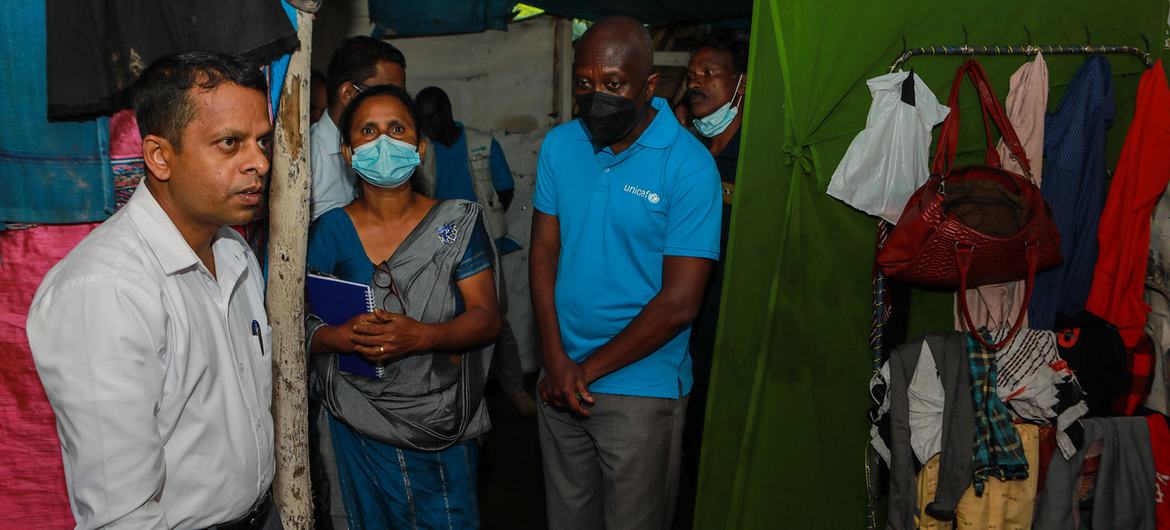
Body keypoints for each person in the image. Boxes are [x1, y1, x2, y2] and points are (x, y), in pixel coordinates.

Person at [26, 51, 278, 529]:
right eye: (230, 143)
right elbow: (122, 515)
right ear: (160, 157)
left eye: (261, 141)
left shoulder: (232, 251)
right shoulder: (104, 292)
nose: (259, 162)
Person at [531, 16, 722, 530]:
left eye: (613, 84)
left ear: (649, 85)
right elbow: (544, 253)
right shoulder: (560, 146)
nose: (597, 96)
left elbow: (681, 302)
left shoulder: (688, 167)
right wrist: (554, 357)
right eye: (584, 83)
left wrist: (583, 371)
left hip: (641, 386)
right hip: (559, 375)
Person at [305, 84, 501, 529]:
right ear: (349, 153)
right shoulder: (329, 231)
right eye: (368, 131)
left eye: (397, 128)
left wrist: (423, 335)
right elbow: (298, 324)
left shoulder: (455, 222)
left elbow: (486, 319)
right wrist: (342, 336)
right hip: (357, 422)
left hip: (442, 422)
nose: (384, 142)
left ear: (420, 145)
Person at [415, 85, 537, 417]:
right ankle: (461, 398)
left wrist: (481, 226)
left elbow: (505, 189)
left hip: (482, 242)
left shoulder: (482, 142)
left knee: (495, 317)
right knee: (447, 318)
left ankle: (512, 387)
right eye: (423, 118)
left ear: (448, 109)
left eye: (434, 115)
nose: (430, 123)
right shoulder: (423, 150)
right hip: (439, 245)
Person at [680, 30, 749, 496]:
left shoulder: (758, 157)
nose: (696, 84)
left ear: (741, 84)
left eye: (710, 73)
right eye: (691, 76)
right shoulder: (688, 155)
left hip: (738, 320)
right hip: (689, 319)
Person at [310, 36, 407, 220]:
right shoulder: (308, 162)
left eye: (401, 97)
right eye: (387, 94)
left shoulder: (383, 151)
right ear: (349, 94)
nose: (399, 107)